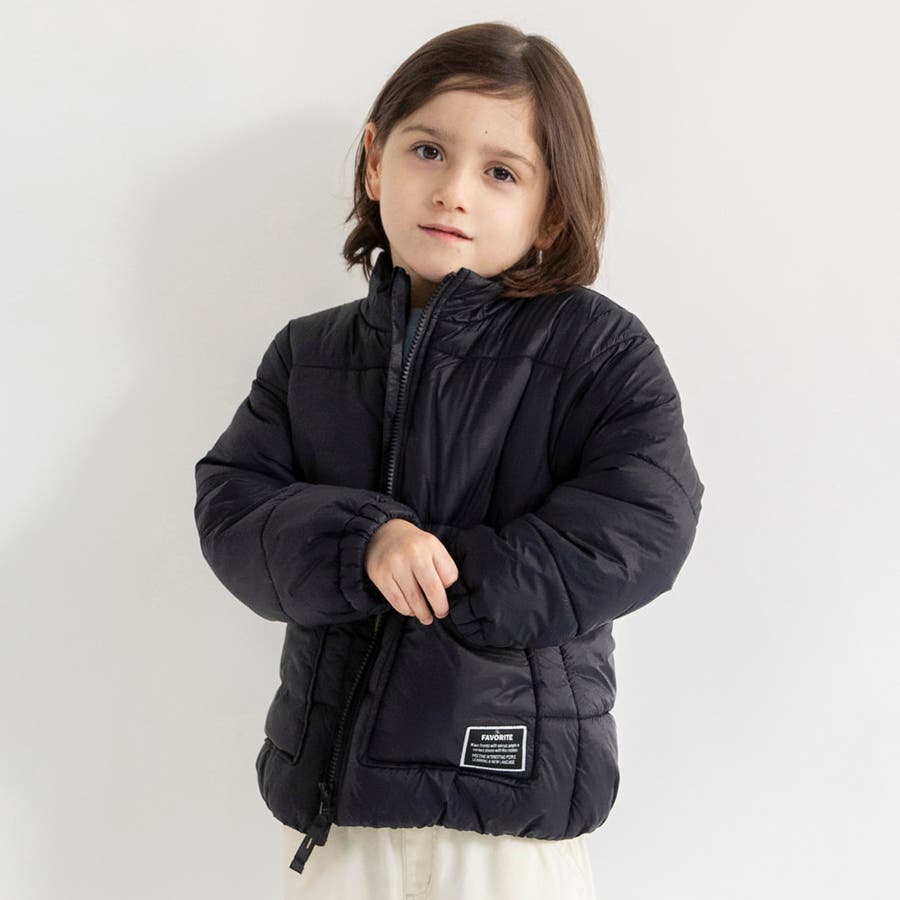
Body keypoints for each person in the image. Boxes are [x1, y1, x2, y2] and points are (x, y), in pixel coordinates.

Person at [193, 21, 704, 900]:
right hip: (340, 809)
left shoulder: (599, 350)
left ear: (551, 211)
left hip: (511, 812)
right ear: (374, 160)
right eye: (428, 150)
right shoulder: (307, 355)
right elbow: (236, 511)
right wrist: (366, 543)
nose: (453, 192)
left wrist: (449, 578)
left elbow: (646, 522)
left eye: (501, 172)